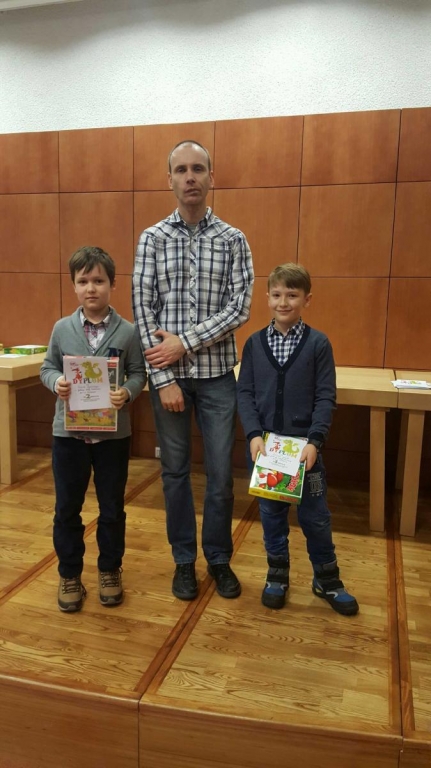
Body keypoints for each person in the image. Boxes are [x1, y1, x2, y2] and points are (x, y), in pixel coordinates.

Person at [132, 140, 254, 601]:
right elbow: (142, 309)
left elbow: (239, 308)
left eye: (198, 169)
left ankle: (218, 558)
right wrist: (163, 379)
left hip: (219, 377)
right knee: (175, 473)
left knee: (221, 476)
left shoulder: (233, 239)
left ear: (210, 177)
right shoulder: (151, 239)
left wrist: (185, 341)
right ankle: (184, 560)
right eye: (181, 169)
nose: (190, 177)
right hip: (170, 381)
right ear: (169, 179)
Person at [237, 263, 358, 616]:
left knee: (316, 518)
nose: (283, 302)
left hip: (306, 452)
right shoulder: (254, 344)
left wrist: (315, 441)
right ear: (267, 298)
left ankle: (327, 579)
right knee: (271, 516)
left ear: (307, 299)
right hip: (267, 451)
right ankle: (277, 575)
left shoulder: (318, 344)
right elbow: (245, 394)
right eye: (277, 295)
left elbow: (325, 396)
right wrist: (253, 435)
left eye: (292, 295)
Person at [41, 246, 146, 612]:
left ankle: (110, 569)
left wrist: (127, 392)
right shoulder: (62, 329)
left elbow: (138, 374)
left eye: (99, 281)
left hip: (112, 438)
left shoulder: (128, 332)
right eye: (83, 281)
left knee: (112, 508)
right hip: (68, 435)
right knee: (67, 508)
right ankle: (70, 573)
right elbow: (47, 367)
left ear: (112, 285)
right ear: (73, 285)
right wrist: (56, 383)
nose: (91, 288)